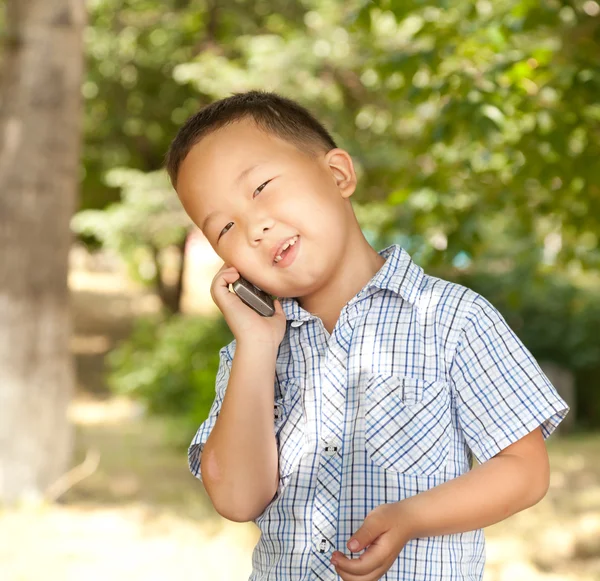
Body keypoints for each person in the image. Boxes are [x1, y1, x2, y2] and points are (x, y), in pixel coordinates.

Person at [165, 90, 569, 581]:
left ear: (338, 174)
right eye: (225, 227)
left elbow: (525, 470)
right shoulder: (251, 353)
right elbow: (235, 497)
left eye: (261, 188)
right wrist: (256, 346)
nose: (255, 227)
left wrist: (411, 518)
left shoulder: (451, 318)